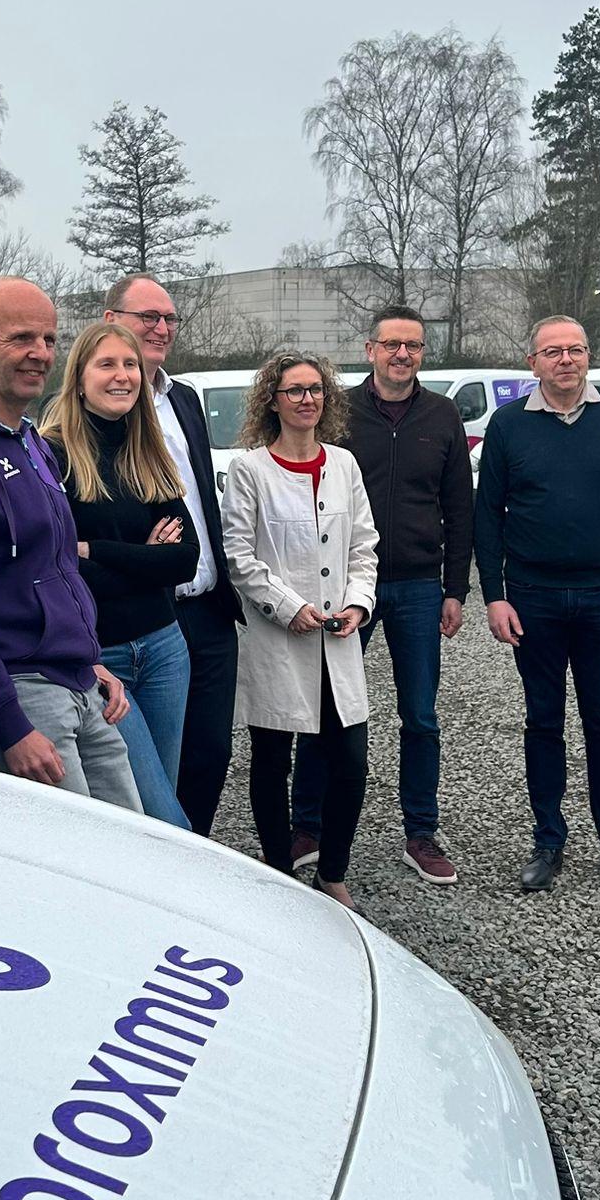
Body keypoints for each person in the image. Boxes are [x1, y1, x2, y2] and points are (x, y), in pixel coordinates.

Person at [0, 277, 141, 811]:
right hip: (15, 694)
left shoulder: (31, 439)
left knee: (138, 841)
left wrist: (88, 657)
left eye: (49, 339)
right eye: (20, 338)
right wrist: (10, 725)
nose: (40, 353)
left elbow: (53, 566)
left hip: (75, 683)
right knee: (71, 853)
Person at [474, 314, 600, 893]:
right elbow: (487, 515)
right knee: (543, 720)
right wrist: (494, 596)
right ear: (532, 362)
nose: (565, 360)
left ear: (588, 356)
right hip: (533, 596)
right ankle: (548, 841)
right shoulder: (508, 424)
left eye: (575, 350)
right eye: (552, 352)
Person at [291, 305, 473, 886]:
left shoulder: (442, 415)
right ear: (370, 350)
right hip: (346, 584)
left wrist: (455, 588)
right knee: (325, 705)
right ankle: (307, 826)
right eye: (392, 344)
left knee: (419, 714)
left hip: (419, 585)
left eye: (413, 345)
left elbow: (460, 508)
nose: (402, 354)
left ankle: (421, 832)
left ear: (423, 352)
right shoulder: (340, 414)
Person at [221, 352, 378, 907]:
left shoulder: (344, 464)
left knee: (350, 761)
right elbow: (239, 555)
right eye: (294, 390)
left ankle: (333, 871)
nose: (307, 399)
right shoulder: (250, 470)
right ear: (272, 400)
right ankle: (279, 870)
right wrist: (288, 607)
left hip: (338, 640)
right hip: (279, 639)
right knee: (272, 759)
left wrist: (358, 604)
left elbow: (364, 544)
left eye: (315, 389)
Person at [40, 321, 198, 828]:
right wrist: (145, 560)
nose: (122, 375)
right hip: (101, 657)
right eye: (106, 364)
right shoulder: (51, 454)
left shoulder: (146, 451)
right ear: (79, 378)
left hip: (165, 649)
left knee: (160, 799)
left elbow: (185, 560)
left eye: (130, 364)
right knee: (160, 817)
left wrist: (98, 550)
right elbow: (63, 574)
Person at [102, 274, 244, 835]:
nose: (162, 328)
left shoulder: (183, 398)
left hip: (208, 608)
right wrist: (134, 555)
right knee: (149, 774)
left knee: (210, 755)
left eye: (169, 318)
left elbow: (201, 496)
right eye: (148, 317)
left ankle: (194, 857)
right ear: (111, 321)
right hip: (144, 613)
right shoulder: (92, 409)